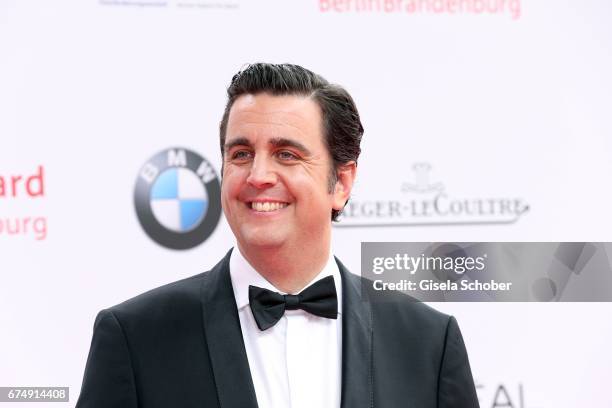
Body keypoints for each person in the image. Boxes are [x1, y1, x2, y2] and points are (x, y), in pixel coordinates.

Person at [76, 63, 479, 408]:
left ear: (340, 182)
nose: (258, 176)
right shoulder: (136, 338)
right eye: (241, 154)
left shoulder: (428, 343)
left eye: (286, 154)